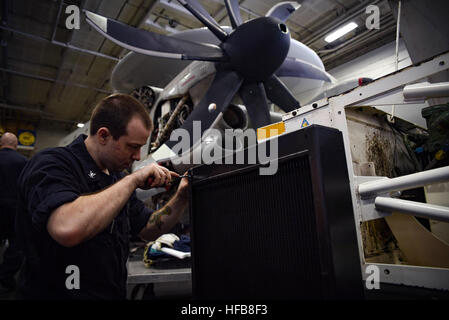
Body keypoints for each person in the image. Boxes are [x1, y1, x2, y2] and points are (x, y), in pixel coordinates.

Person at [15, 94, 189, 299]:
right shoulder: (51, 165)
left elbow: (148, 228)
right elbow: (67, 228)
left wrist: (181, 197)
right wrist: (132, 180)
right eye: (133, 146)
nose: (138, 157)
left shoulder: (116, 178)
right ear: (104, 135)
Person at [0, 132, 27, 294]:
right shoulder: (23, 161)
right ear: (16, 145)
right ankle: (5, 276)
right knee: (17, 245)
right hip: (15, 210)